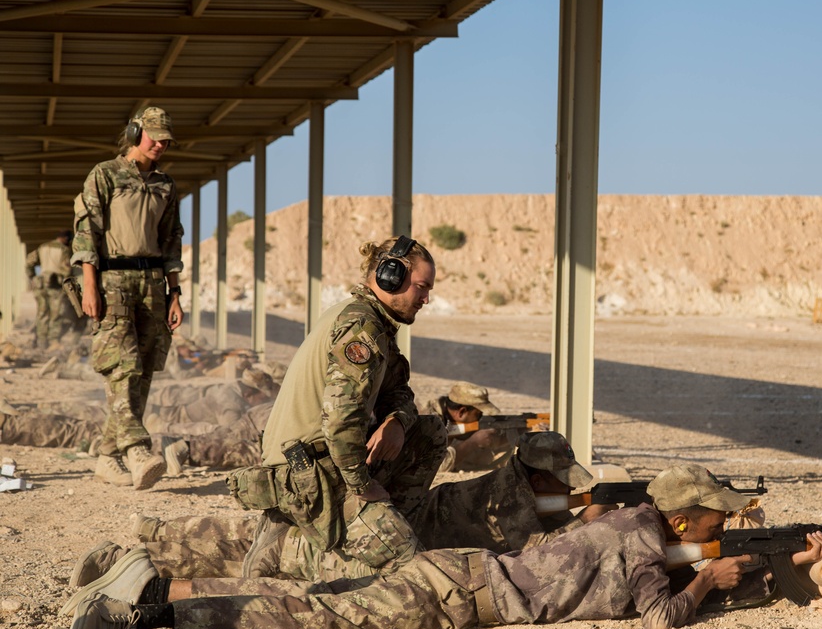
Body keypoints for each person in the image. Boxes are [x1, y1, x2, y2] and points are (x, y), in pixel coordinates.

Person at [63, 462, 822, 629]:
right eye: (714, 520)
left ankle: (158, 586)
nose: (718, 530)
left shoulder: (636, 520)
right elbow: (663, 616)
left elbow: (654, 556)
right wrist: (710, 579)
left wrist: (774, 566)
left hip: (461, 572)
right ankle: (150, 612)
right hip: (462, 594)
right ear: (690, 512)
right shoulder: (649, 543)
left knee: (324, 590)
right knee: (314, 613)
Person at [65, 431, 618, 590]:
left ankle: (146, 543)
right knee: (279, 557)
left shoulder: (515, 487)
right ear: (536, 473)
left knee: (260, 542)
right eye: (559, 479)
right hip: (397, 534)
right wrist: (587, 519)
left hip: (407, 521)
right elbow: (537, 543)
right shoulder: (510, 498)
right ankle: (136, 555)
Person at [231, 236, 447, 582]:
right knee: (413, 572)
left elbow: (400, 394)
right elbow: (340, 421)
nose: (425, 299)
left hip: (322, 463)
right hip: (308, 476)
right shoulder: (363, 328)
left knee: (431, 432)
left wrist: (395, 421)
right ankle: (291, 549)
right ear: (390, 276)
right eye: (421, 287)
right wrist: (362, 486)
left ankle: (383, 527)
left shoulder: (369, 320)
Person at [72, 106, 184, 491]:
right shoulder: (105, 174)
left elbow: (171, 241)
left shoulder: (166, 185)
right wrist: (89, 284)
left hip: (153, 282)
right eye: (154, 135)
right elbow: (87, 232)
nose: (161, 143)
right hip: (113, 279)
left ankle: (107, 455)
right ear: (135, 132)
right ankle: (137, 448)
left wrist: (175, 293)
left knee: (145, 371)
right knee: (124, 366)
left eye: (166, 138)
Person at [421, 381, 525, 473]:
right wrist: (473, 442)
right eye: (478, 414)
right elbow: (436, 465)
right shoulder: (427, 423)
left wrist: (520, 433)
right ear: (461, 412)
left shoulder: (448, 418)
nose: (480, 418)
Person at [143, 368, 278, 434]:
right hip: (174, 419)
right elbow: (232, 433)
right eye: (264, 396)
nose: (266, 399)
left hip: (174, 410)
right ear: (249, 393)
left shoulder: (237, 389)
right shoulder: (230, 403)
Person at [25, 229, 73, 350]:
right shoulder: (64, 250)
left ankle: (41, 342)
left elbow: (29, 262)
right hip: (55, 286)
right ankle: (53, 341)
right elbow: (67, 270)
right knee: (56, 314)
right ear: (66, 239)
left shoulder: (42, 247)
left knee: (42, 313)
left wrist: (32, 277)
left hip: (40, 285)